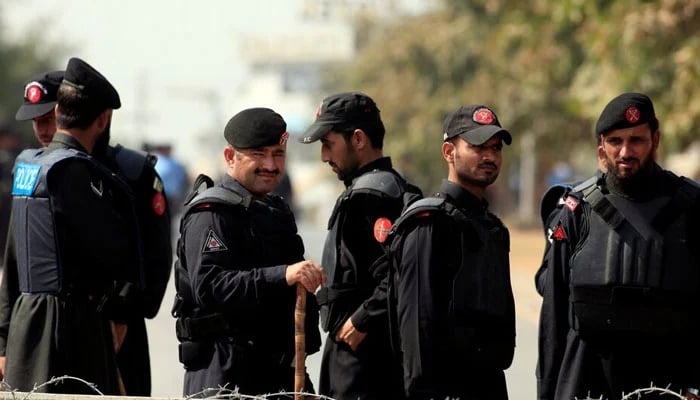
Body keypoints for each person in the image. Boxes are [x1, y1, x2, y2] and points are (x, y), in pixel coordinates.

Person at [0, 69, 172, 396]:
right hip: (57, 330)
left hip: (114, 328)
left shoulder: (131, 173)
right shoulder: (36, 169)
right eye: (35, 122)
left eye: (50, 117)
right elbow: (15, 262)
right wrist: (4, 339)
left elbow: (151, 258)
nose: (44, 130)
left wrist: (121, 315)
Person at [536, 92, 700, 400]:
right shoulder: (575, 211)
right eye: (615, 141)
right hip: (587, 384)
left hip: (670, 385)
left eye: (637, 140)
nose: (626, 151)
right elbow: (553, 321)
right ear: (601, 149)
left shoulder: (692, 208)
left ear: (656, 139)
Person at [173, 107, 325, 398]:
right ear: (231, 157)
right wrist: (282, 275)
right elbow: (210, 286)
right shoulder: (212, 212)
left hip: (276, 372)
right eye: (259, 154)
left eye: (278, 154)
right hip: (225, 374)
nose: (270, 164)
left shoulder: (275, 211)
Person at [386, 105, 516, 400]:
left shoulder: (492, 228)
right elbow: (417, 330)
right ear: (449, 152)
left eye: (495, 148)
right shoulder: (430, 223)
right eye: (477, 147)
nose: (489, 156)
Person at [298, 92, 422, 400]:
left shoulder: (370, 196)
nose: (325, 156)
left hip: (364, 359)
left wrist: (361, 321)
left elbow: (401, 271)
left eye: (328, 144)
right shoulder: (394, 188)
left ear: (358, 139)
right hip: (365, 353)